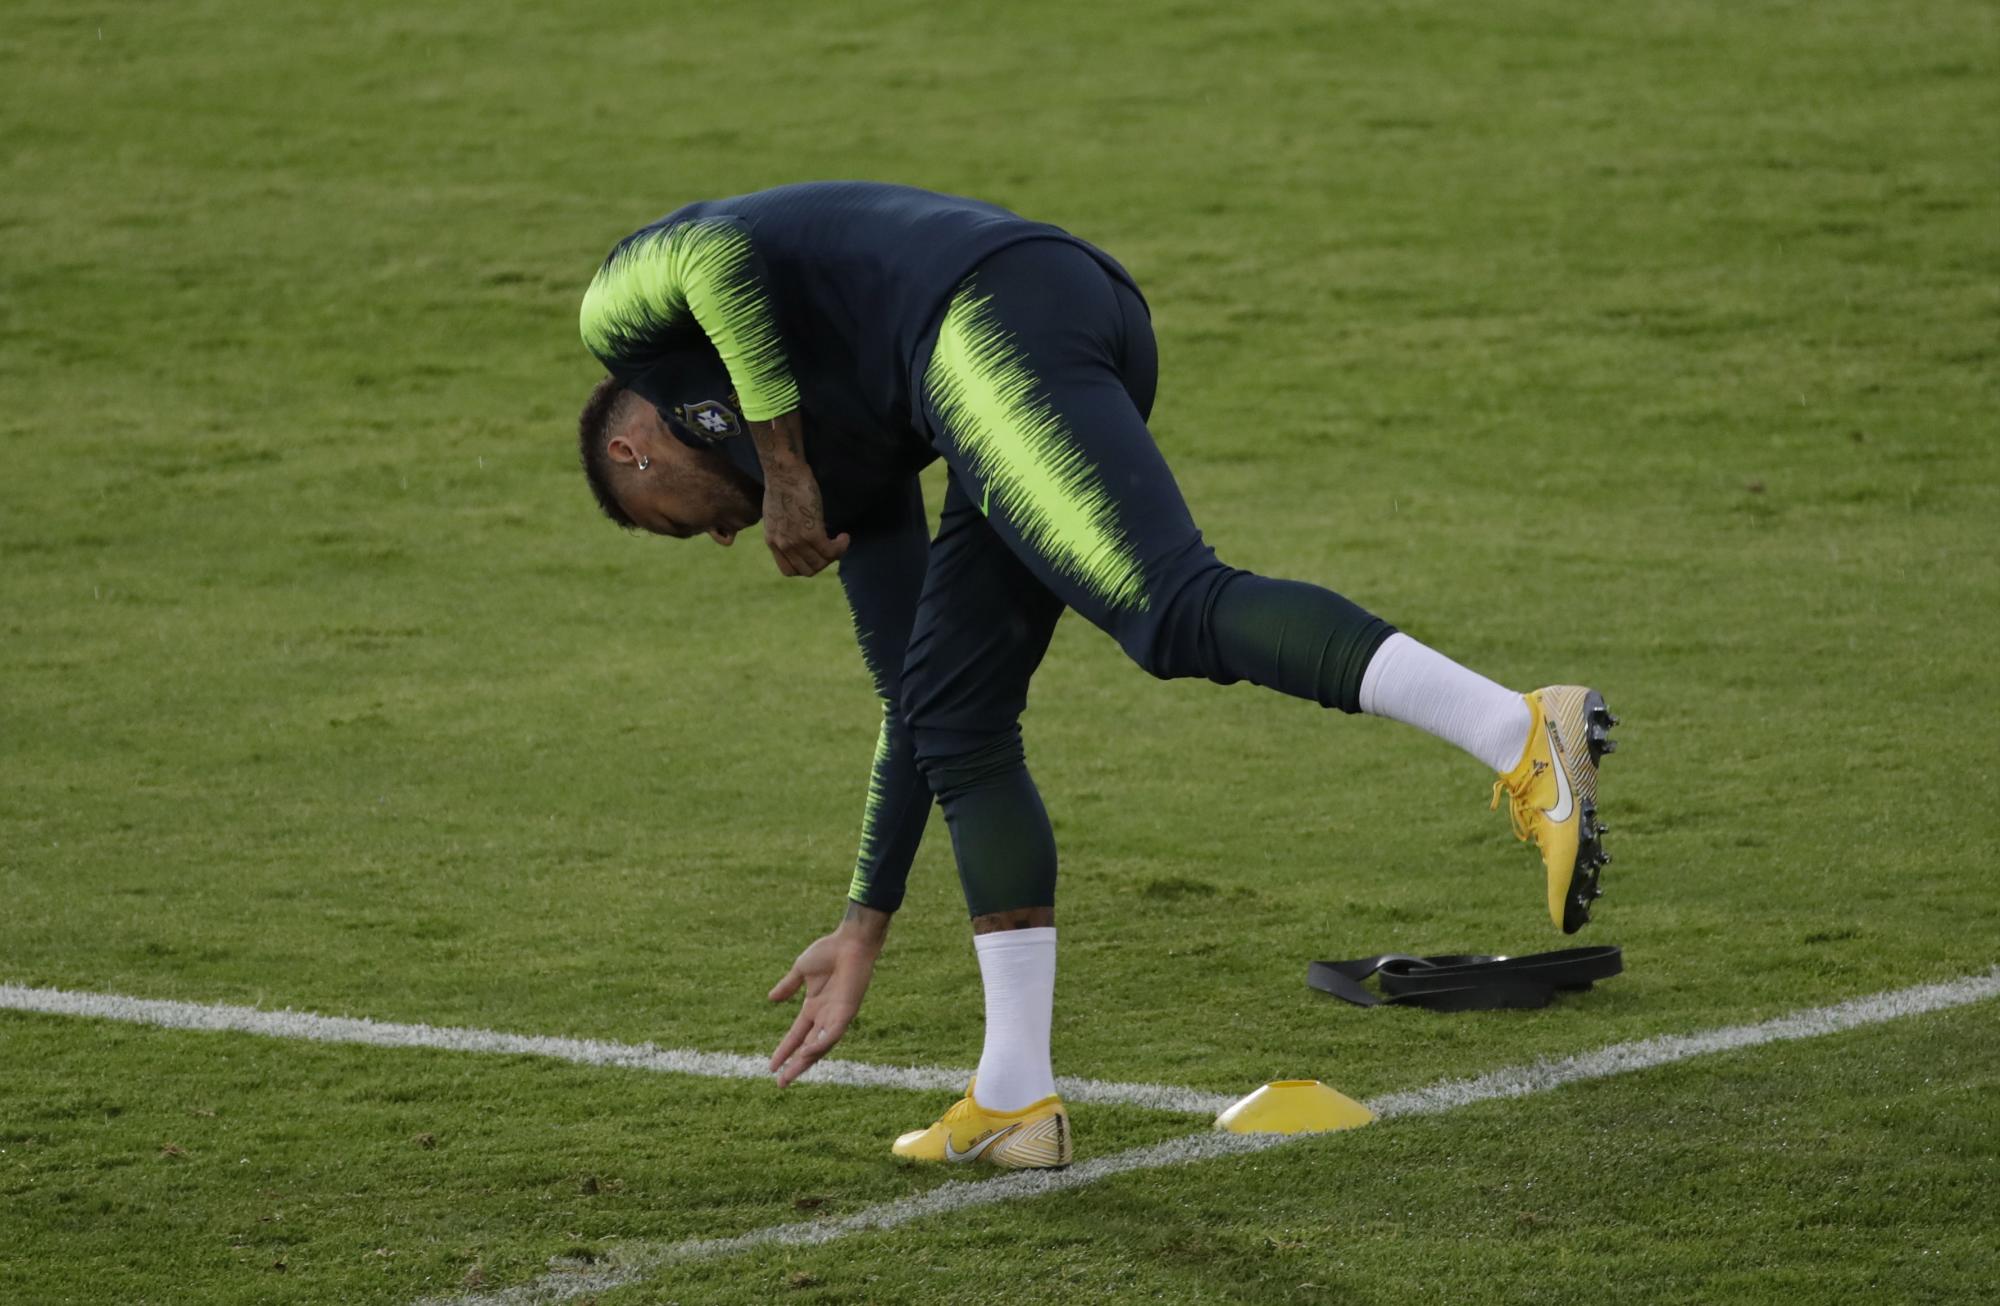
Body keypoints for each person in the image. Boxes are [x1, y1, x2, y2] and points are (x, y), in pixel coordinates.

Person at [574, 181, 1617, 1169]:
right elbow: (911, 706)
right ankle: (1013, 1095)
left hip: (993, 310)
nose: (715, 539)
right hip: (1023, 332)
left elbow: (715, 251)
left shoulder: (622, 327)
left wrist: (788, 474)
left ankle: (1516, 731)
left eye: (667, 525)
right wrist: (864, 917)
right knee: (954, 716)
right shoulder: (841, 462)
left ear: (634, 452)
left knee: (1171, 610)